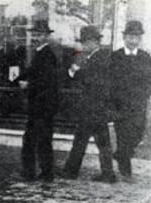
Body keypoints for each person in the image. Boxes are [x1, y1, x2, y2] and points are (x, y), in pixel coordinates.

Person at [60, 26, 116, 183]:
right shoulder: (100, 57)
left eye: (85, 43)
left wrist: (74, 72)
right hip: (98, 108)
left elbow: (90, 80)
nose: (83, 46)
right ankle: (107, 174)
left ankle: (71, 171)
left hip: (91, 108)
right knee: (102, 143)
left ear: (93, 42)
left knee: (81, 141)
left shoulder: (97, 59)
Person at [17, 21, 59, 182]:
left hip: (43, 105)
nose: (35, 37)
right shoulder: (40, 53)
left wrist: (28, 84)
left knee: (35, 139)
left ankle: (34, 172)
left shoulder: (47, 55)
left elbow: (47, 81)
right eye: (34, 34)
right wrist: (21, 77)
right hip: (40, 105)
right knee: (40, 139)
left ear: (47, 36)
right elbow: (33, 72)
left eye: (39, 34)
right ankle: (44, 172)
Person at [111, 20, 151, 180]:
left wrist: (145, 95)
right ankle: (125, 170)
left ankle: (120, 155)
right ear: (124, 37)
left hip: (139, 105)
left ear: (140, 39)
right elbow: (111, 81)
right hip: (121, 105)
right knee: (122, 136)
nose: (133, 41)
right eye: (130, 37)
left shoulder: (145, 57)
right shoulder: (116, 57)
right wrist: (113, 103)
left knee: (137, 135)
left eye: (136, 37)